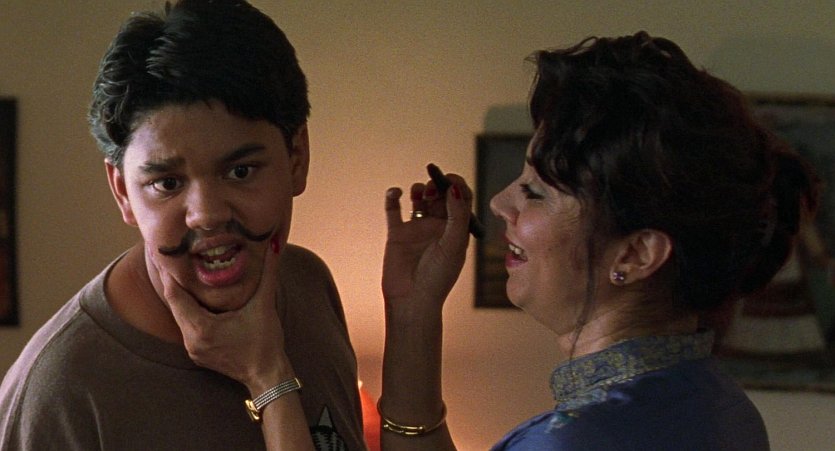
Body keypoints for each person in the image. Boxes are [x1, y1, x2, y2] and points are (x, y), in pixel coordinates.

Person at [377, 32, 818, 450]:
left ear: (635, 254)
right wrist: (414, 312)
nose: (498, 203)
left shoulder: (568, 441)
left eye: (535, 192)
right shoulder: (722, 406)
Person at [0, 1, 364, 450]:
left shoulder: (309, 284)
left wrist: (412, 321)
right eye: (167, 183)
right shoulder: (60, 394)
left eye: (240, 172)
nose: (206, 215)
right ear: (122, 192)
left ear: (297, 158)